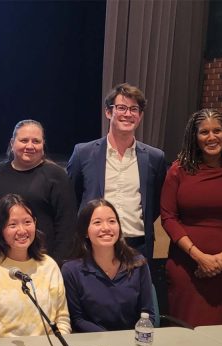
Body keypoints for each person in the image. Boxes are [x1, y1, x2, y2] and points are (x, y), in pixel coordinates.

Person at [161, 109, 222, 326]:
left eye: (217, 130)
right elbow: (168, 217)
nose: (211, 137)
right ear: (195, 137)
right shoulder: (178, 170)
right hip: (187, 267)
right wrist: (200, 257)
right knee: (185, 332)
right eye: (204, 132)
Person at [67, 83, 166, 261]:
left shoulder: (155, 158)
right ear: (108, 112)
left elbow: (155, 204)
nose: (128, 114)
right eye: (121, 108)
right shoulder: (83, 153)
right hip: (93, 246)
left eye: (134, 109)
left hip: (138, 247)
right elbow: (72, 199)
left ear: (140, 116)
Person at [0, 194, 70, 339]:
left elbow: (62, 320)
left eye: (27, 222)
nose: (22, 230)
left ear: (35, 223)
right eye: (12, 225)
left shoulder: (48, 265)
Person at [0, 119, 77, 265]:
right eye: (24, 140)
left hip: (41, 263)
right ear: (12, 143)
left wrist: (56, 265)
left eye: (36, 141)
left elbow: (67, 227)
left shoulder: (57, 176)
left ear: (43, 144)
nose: (30, 146)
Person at [61, 199, 154, 332]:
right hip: (93, 344)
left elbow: (148, 314)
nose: (106, 228)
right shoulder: (71, 270)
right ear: (85, 231)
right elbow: (77, 319)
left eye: (112, 221)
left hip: (132, 341)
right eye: (97, 222)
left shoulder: (138, 263)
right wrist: (110, 340)